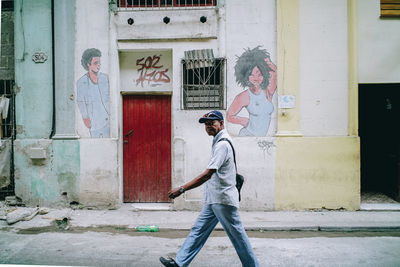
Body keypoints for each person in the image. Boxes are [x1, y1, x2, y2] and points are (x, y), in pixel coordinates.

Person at [160, 110, 259, 267]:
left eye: (212, 123)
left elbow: (208, 174)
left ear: (221, 123)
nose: (208, 127)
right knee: (198, 231)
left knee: (238, 237)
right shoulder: (218, 141)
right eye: (206, 125)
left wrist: (181, 189)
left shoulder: (223, 145)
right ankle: (179, 263)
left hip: (222, 200)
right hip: (214, 199)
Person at [227, 46, 277, 136]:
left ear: (264, 74)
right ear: (245, 77)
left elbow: (274, 73)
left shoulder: (268, 92)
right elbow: (229, 116)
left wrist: (268, 62)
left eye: (259, 74)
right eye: (251, 75)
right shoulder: (244, 96)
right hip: (247, 135)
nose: (256, 79)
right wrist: (244, 121)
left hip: (262, 139)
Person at [77, 48, 110, 138]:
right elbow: (81, 102)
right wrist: (85, 118)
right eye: (96, 63)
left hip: (108, 120)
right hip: (94, 122)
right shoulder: (82, 82)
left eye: (99, 63)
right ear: (88, 64)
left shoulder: (105, 78)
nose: (98, 65)